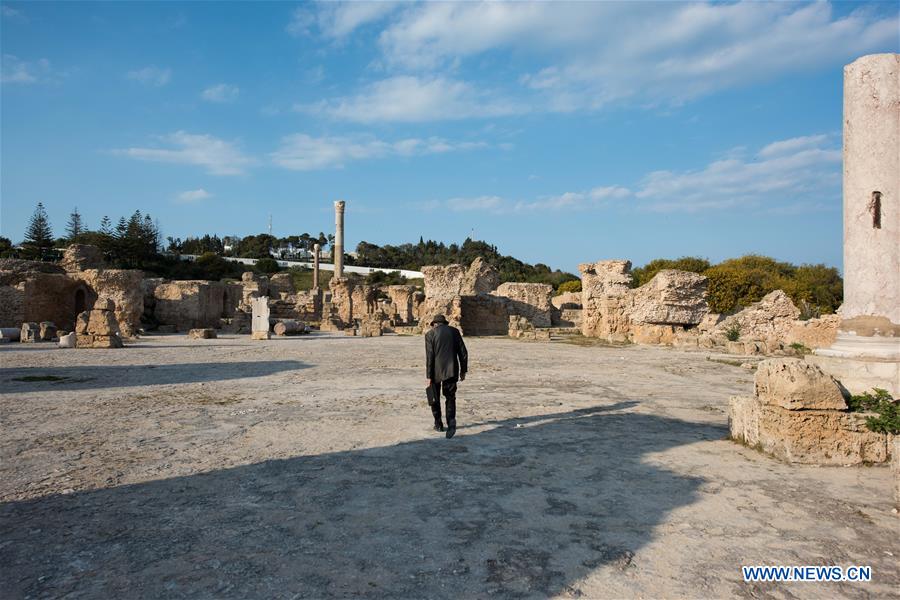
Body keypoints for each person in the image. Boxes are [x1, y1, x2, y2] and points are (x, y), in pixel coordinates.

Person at [425, 314, 468, 439]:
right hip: (452, 370)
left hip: (435, 371)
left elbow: (430, 357)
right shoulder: (454, 332)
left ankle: (438, 424)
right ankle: (451, 422)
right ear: (445, 323)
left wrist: (428, 376)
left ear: (435, 324)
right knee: (450, 397)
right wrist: (463, 371)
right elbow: (463, 353)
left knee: (434, 397)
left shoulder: (430, 334)